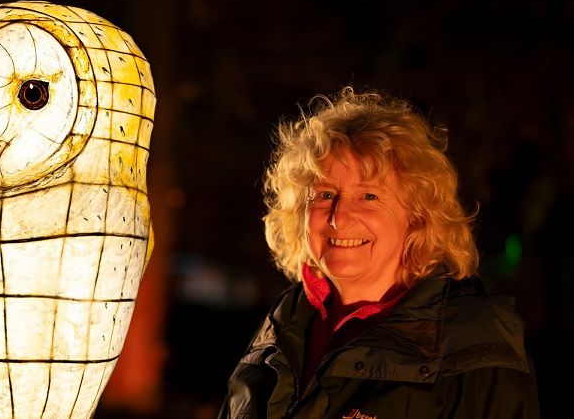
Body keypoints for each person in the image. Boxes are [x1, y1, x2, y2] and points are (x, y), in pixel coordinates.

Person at [218, 87, 540, 418]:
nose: (339, 216)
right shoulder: (283, 323)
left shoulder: (475, 343)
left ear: (418, 216)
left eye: (369, 196)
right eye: (325, 194)